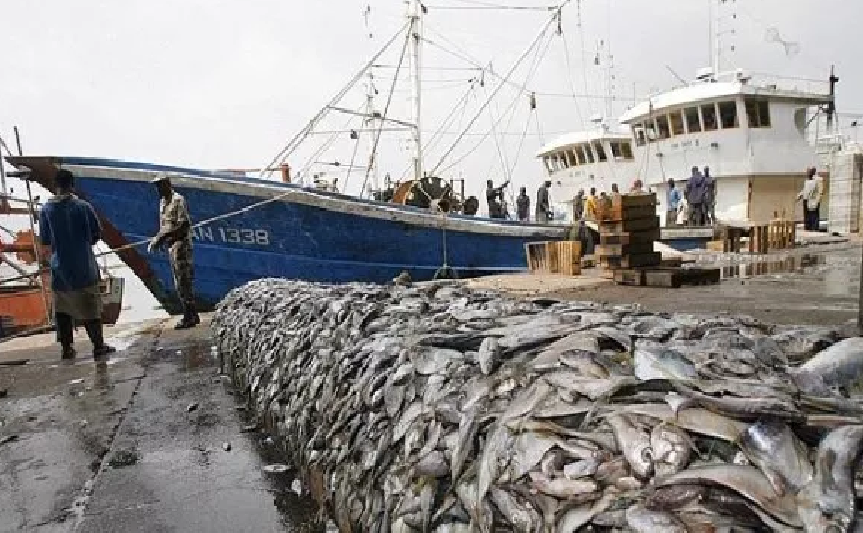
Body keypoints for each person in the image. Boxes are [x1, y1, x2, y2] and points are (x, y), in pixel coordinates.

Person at [39, 169, 116, 360]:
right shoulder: (83, 207)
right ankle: (98, 345)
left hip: (60, 268)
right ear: (72, 185)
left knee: (63, 310)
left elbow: (46, 239)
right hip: (84, 265)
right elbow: (96, 233)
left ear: (56, 185)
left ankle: (67, 349)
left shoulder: (46, 210)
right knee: (90, 307)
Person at [148, 174, 200, 329]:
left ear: (168, 184)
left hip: (181, 245)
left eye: (160, 185)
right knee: (178, 282)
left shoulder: (178, 200)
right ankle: (191, 314)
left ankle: (189, 315)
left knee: (184, 281)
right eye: (156, 186)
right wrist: (161, 238)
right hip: (172, 246)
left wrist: (162, 238)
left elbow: (183, 225)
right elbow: (165, 226)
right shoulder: (163, 202)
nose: (158, 189)